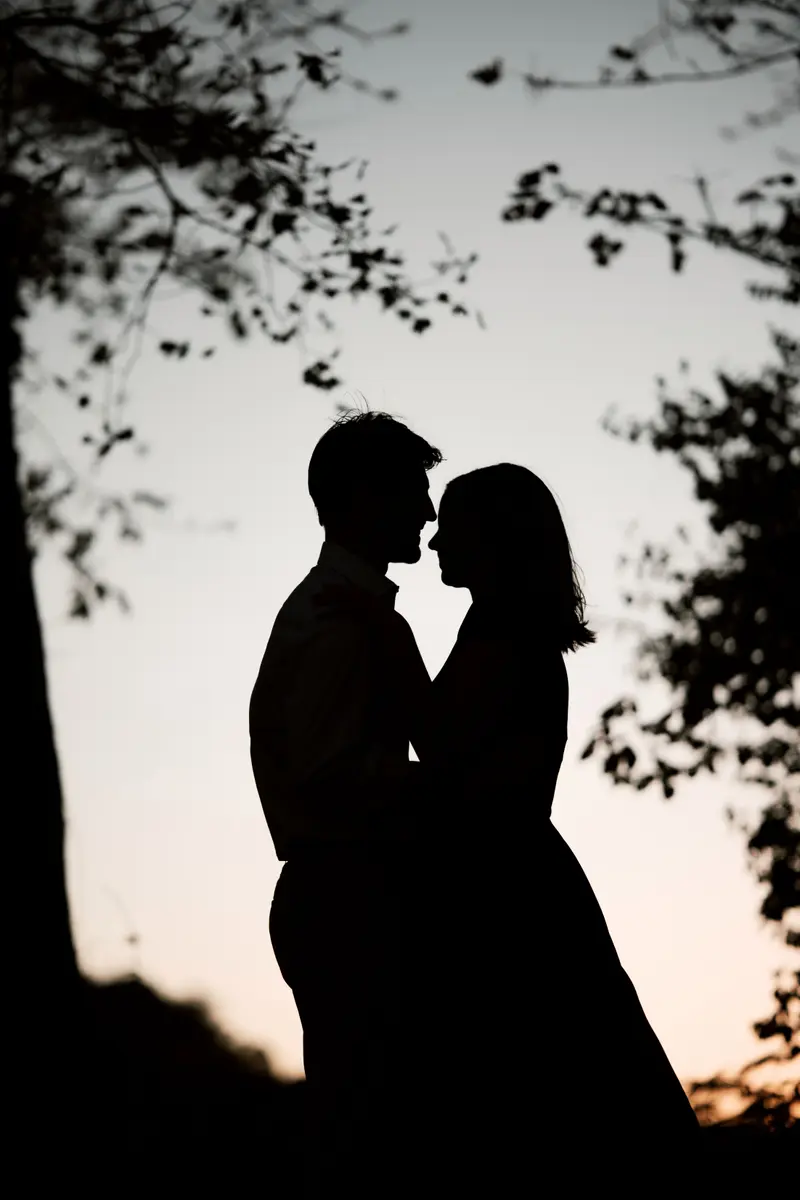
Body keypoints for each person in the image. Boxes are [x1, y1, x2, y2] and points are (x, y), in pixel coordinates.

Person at [420, 463, 700, 1182]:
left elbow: (444, 746)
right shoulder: (505, 626)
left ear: (491, 535)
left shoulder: (502, 630)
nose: (434, 539)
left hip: (505, 884)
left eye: (450, 523)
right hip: (514, 873)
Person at [249, 410, 439, 1198]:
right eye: (413, 492)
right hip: (347, 893)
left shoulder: (344, 611)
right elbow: (330, 772)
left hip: (345, 890)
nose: (428, 513)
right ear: (363, 497)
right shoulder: (336, 621)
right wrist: (452, 786)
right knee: (369, 1136)